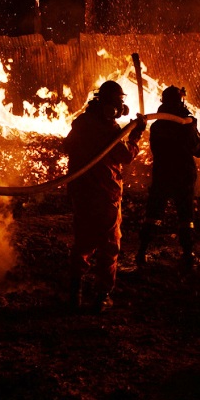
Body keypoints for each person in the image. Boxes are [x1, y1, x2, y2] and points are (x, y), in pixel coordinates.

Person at [63, 80, 146, 313]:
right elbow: (125, 156)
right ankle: (102, 298)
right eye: (118, 103)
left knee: (83, 242)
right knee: (109, 245)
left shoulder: (82, 123)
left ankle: (74, 296)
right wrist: (135, 137)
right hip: (104, 193)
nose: (120, 107)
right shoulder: (107, 128)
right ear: (109, 105)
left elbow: (66, 146)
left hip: (81, 192)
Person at [135, 85, 200, 270]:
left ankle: (141, 252)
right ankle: (188, 255)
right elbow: (199, 150)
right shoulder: (186, 124)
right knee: (185, 214)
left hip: (162, 174)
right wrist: (193, 131)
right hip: (183, 175)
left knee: (153, 212)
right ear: (180, 101)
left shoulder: (157, 125)